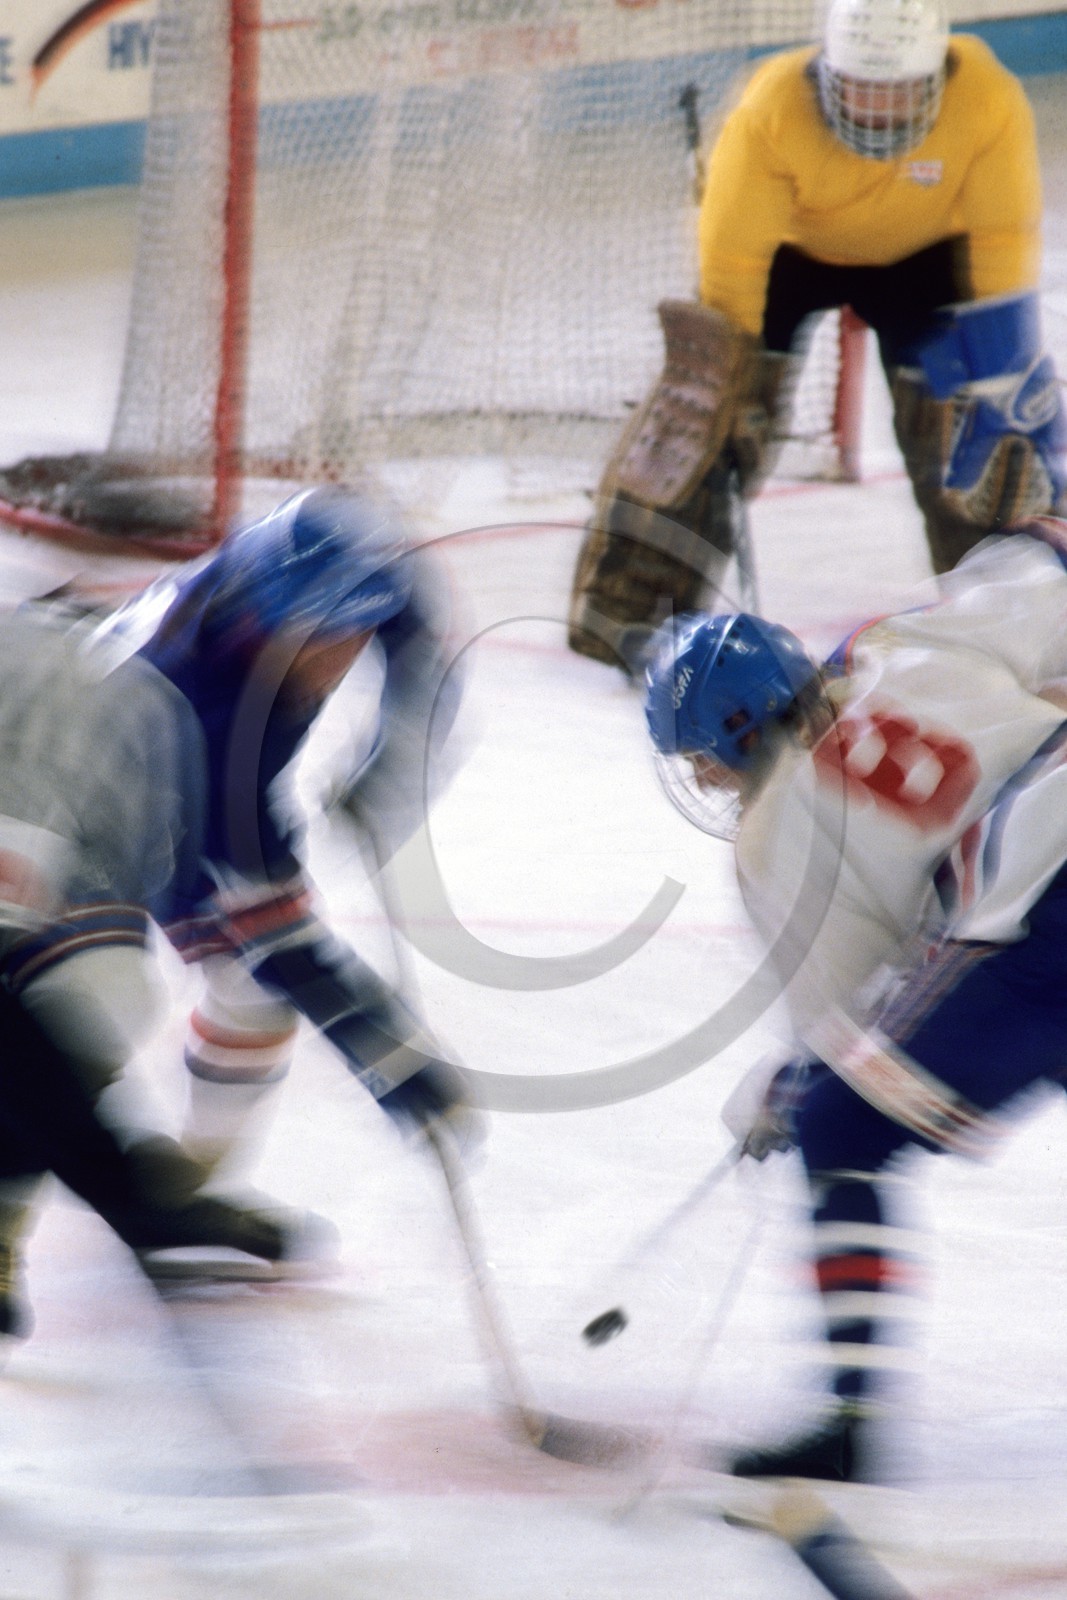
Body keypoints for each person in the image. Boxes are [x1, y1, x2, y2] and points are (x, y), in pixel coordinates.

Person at [642, 516, 1067, 1481]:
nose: (706, 779)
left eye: (701, 756)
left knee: (841, 1128)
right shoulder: (888, 642)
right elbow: (1041, 560)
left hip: (1043, 917)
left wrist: (783, 1095)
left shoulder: (772, 837)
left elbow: (840, 1035)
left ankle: (847, 1420)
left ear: (738, 731)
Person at [0, 485, 477, 1307]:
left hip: (159, 780)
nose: (337, 663)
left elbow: (417, 651)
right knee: (87, 1004)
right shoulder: (195, 711)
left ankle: (180, 1187)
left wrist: (384, 769)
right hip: (92, 810)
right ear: (265, 626)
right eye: (320, 645)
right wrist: (388, 1052)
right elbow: (270, 920)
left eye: (351, 637)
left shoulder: (361, 582)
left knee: (249, 1000)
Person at [568, 0, 1066, 676]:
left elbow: (1001, 242)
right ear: (827, 75)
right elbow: (735, 264)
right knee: (699, 419)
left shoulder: (986, 98)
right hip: (787, 258)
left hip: (924, 255)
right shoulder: (768, 110)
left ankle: (1011, 606)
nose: (877, 112)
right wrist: (729, 387)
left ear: (935, 78)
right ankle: (618, 614)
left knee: (968, 433)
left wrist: (999, 375)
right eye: (861, 89)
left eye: (897, 92)